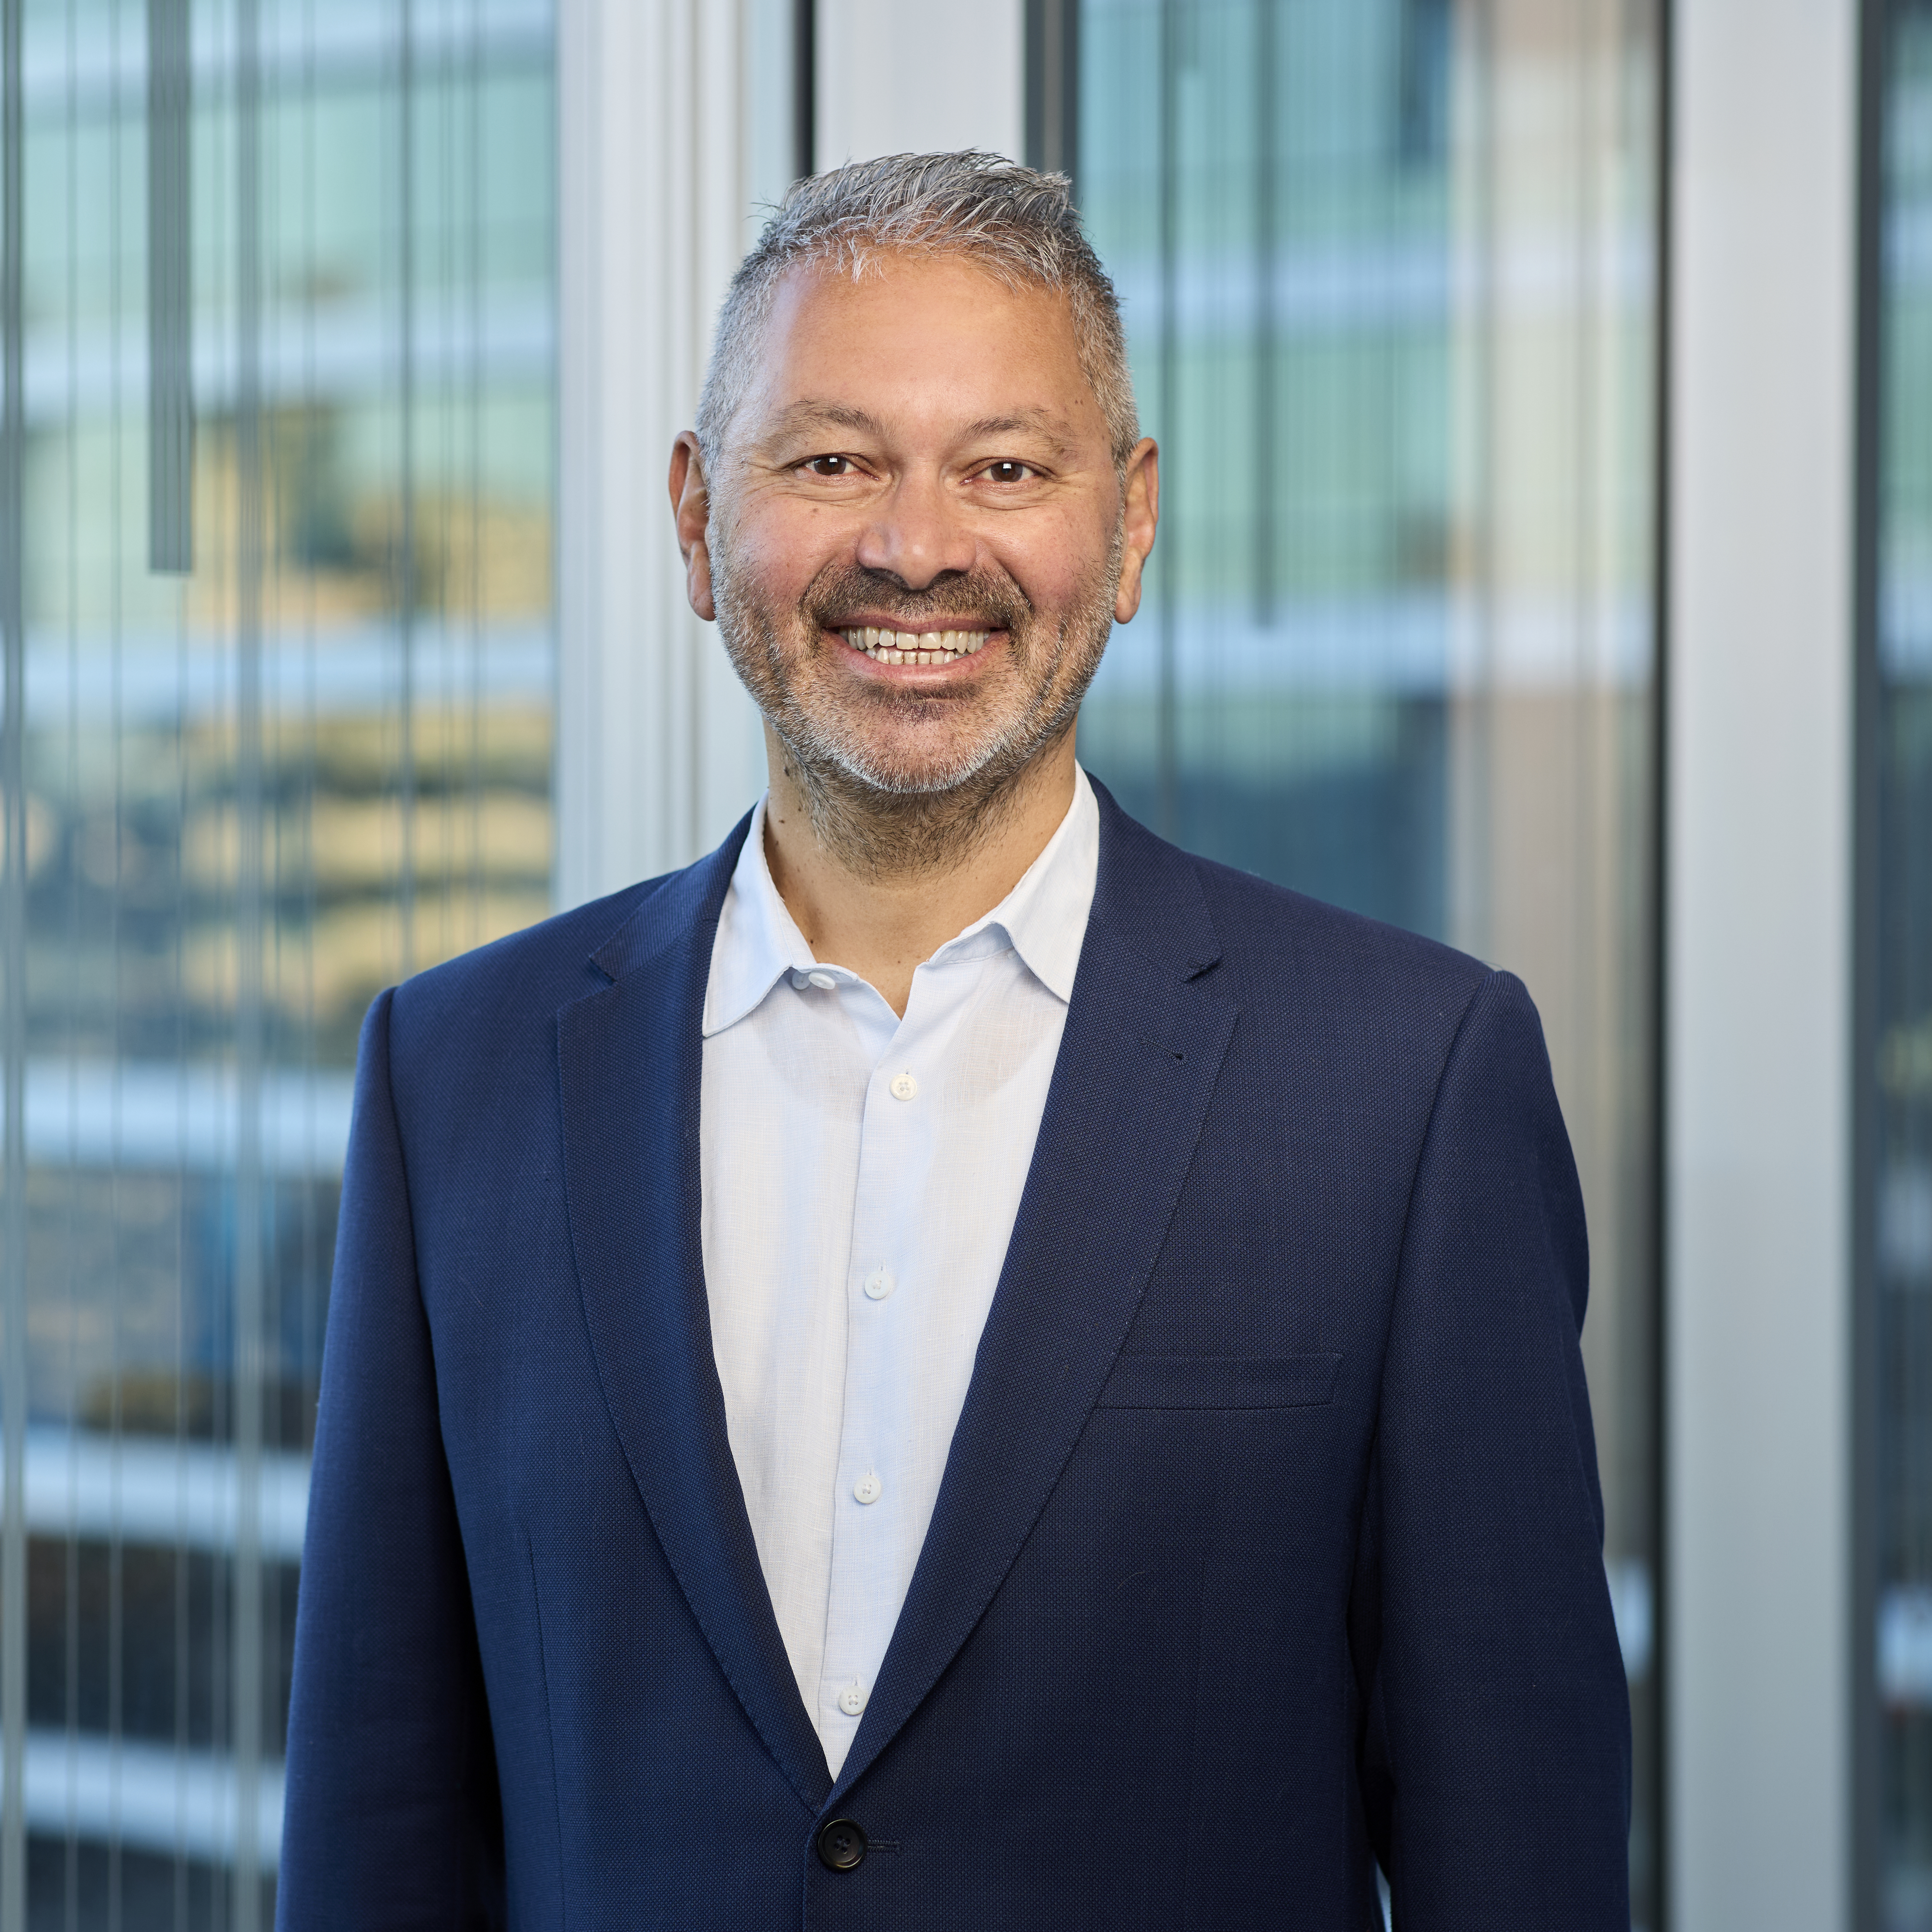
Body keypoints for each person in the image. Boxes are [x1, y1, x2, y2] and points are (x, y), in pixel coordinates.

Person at [278, 152, 1629, 1928]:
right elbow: (373, 1824)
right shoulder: (451, 1079)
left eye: (1004, 468)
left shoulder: (1404, 1086)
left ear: (1130, 523)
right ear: (695, 519)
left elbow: (1511, 1846)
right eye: (831, 461)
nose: (914, 545)